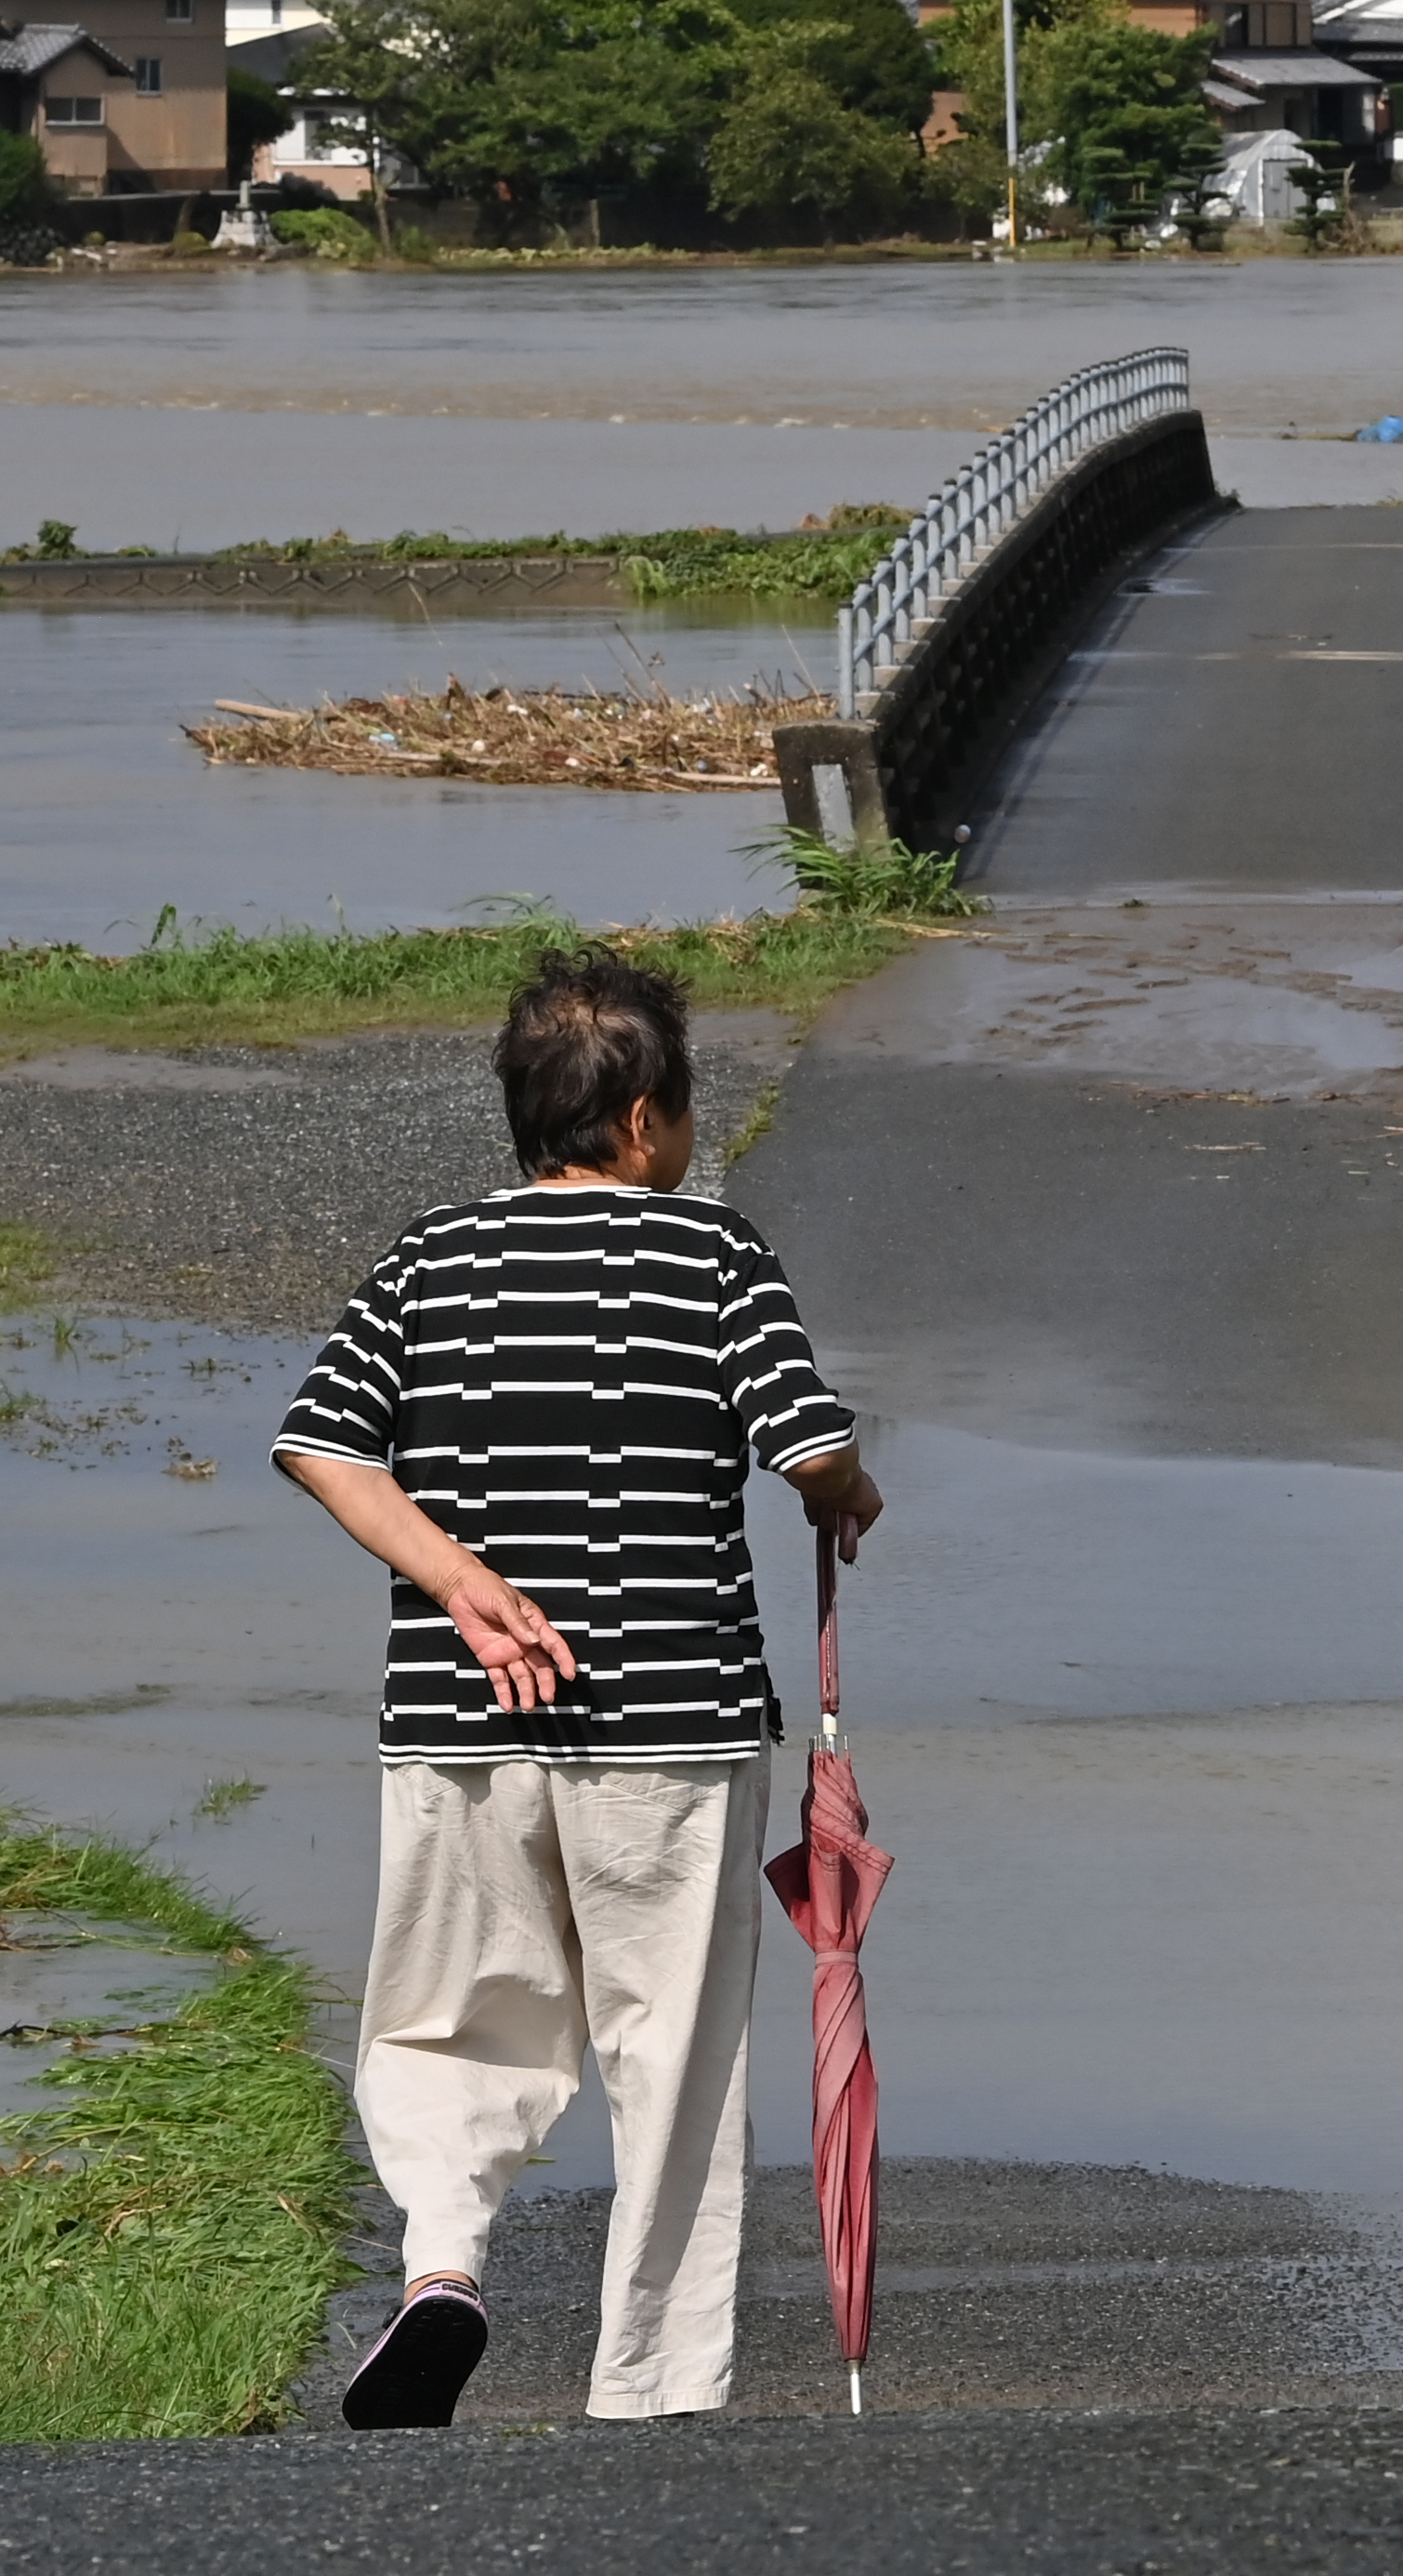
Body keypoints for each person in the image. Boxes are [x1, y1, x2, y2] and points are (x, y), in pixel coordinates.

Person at [276, 946, 884, 2427]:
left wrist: (460, 1580)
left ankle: (442, 2267)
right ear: (640, 1126)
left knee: (443, 2019)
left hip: (457, 1718)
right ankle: (650, 2389)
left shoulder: (427, 1258)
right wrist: (846, 1490)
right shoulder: (715, 1254)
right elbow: (806, 1446)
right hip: (671, 1723)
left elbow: (321, 1439)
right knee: (667, 2053)